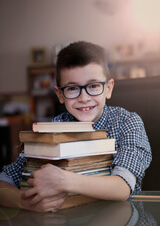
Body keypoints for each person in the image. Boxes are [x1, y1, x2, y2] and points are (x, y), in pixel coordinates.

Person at [0, 41, 152, 212]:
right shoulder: (53, 129)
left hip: (123, 216)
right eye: (72, 88)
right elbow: (4, 180)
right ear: (60, 94)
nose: (84, 98)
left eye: (93, 86)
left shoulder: (128, 123)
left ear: (108, 88)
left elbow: (122, 187)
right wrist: (24, 202)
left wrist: (62, 180)